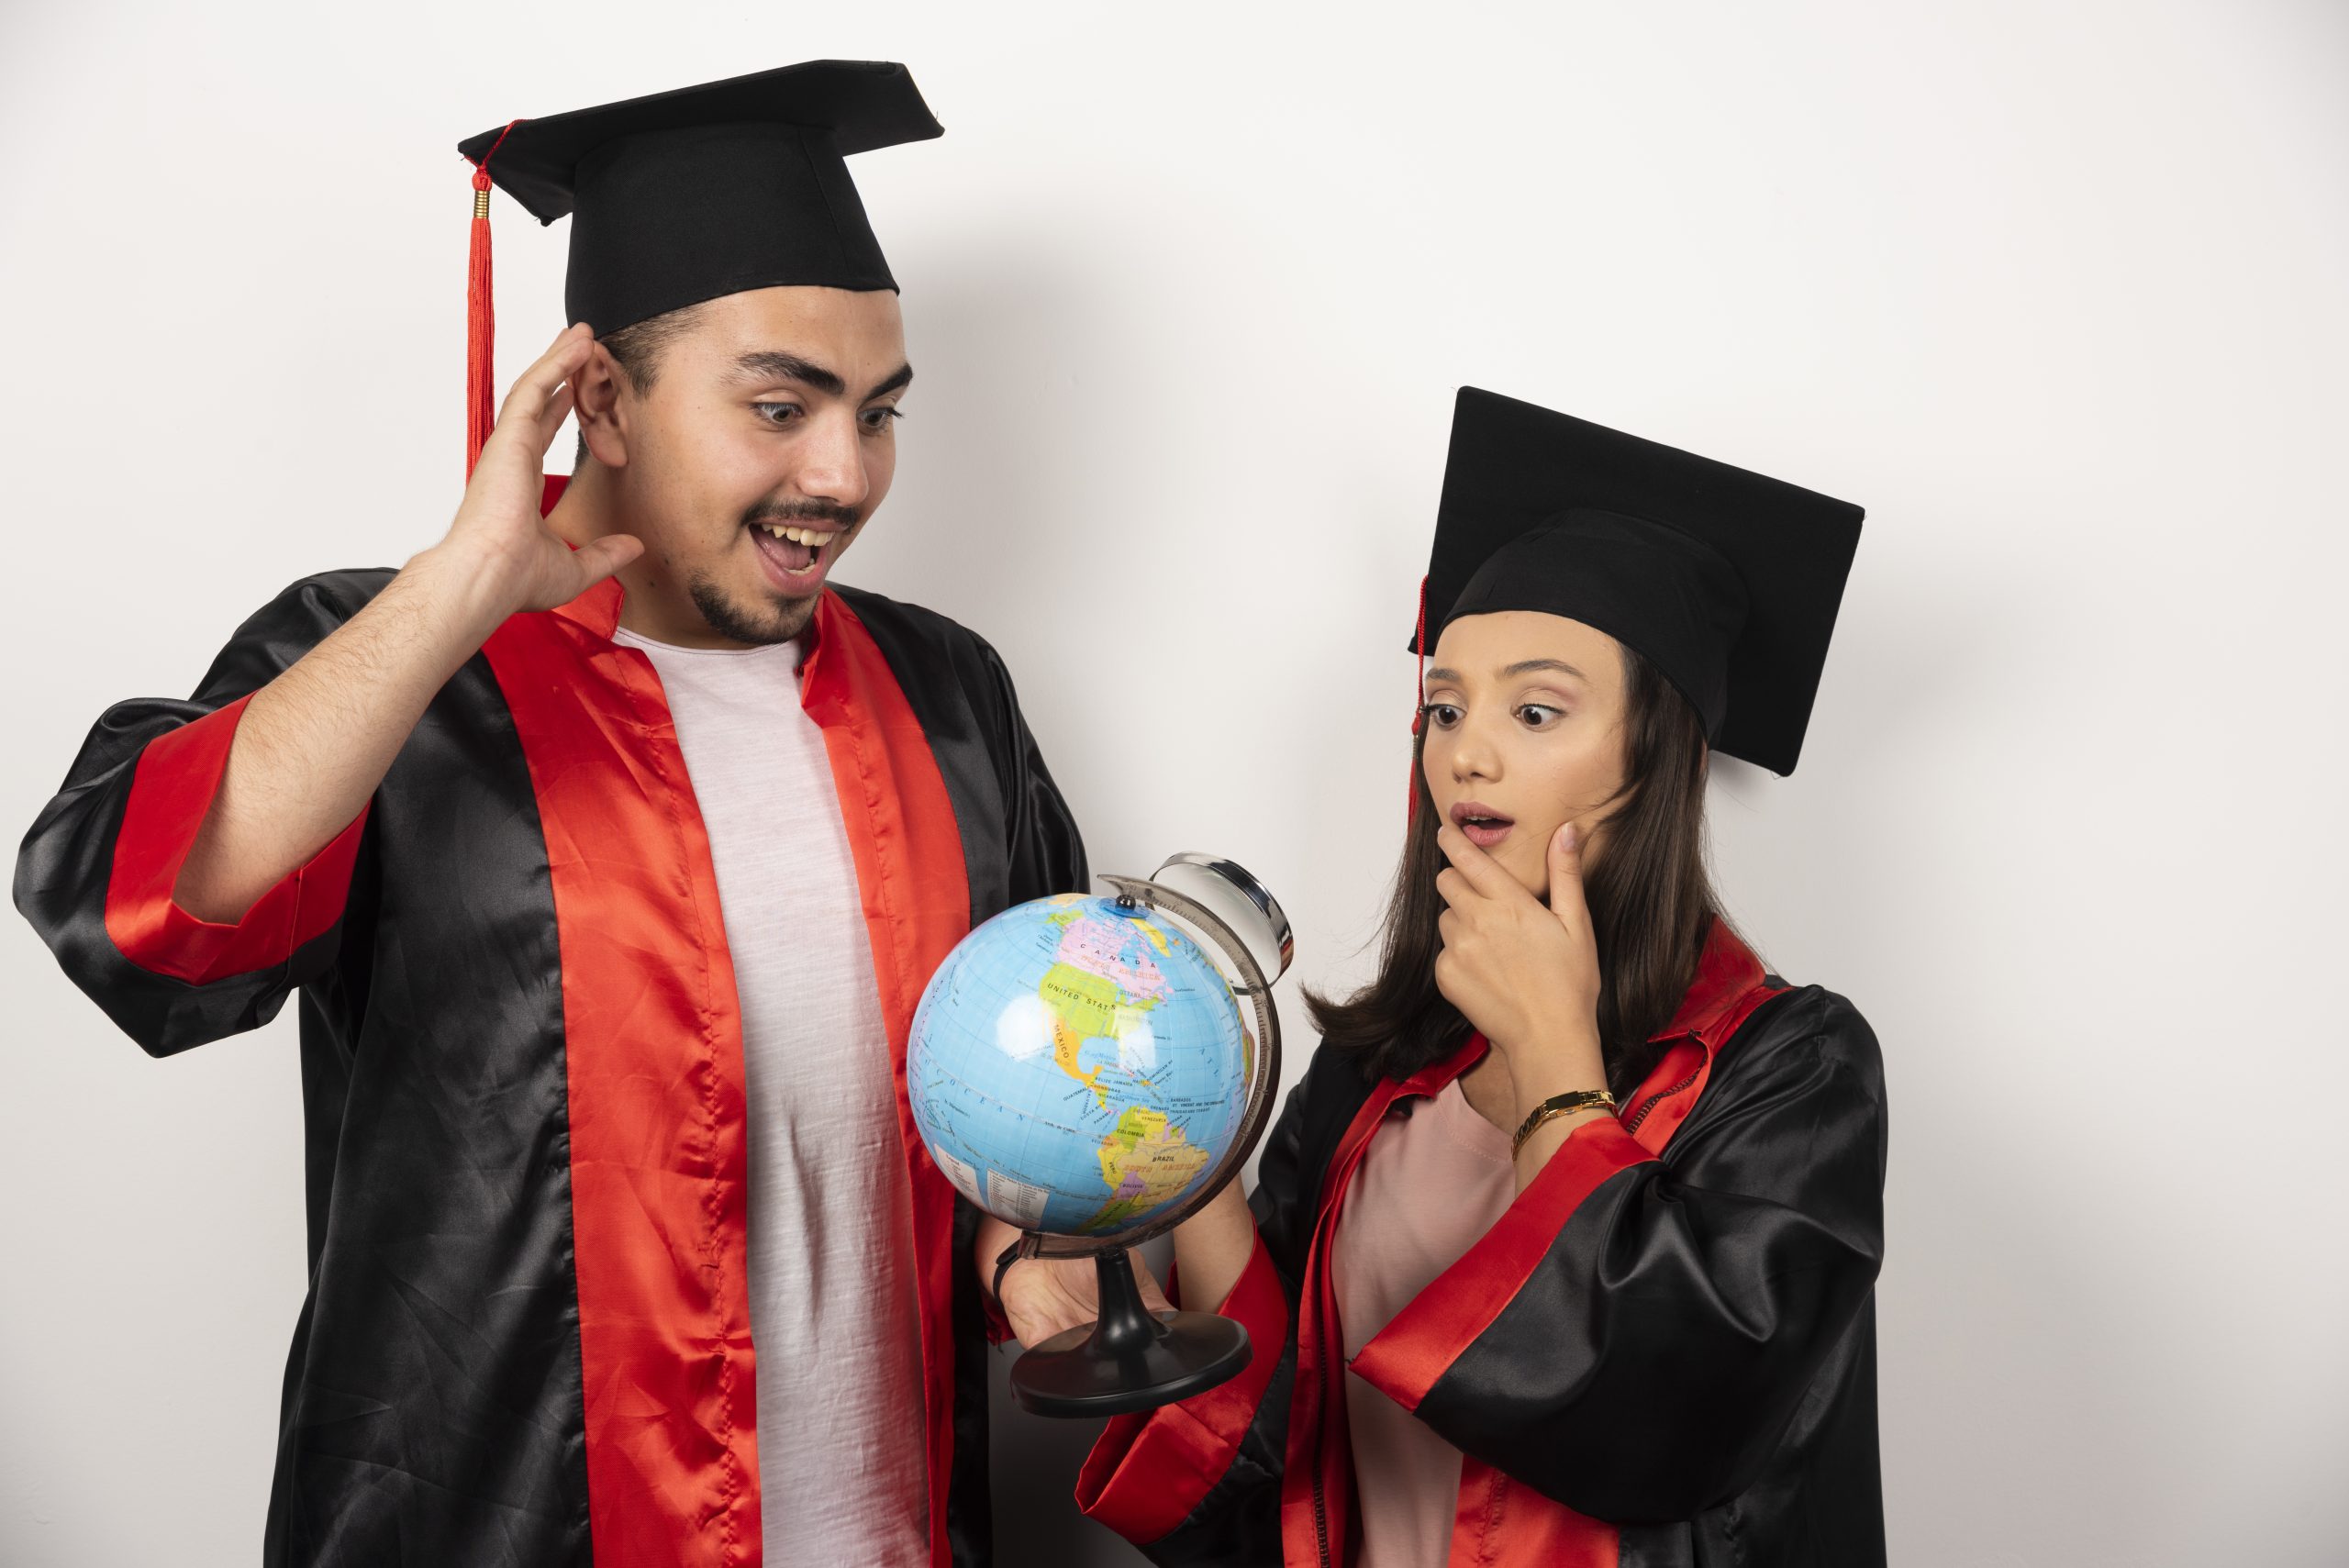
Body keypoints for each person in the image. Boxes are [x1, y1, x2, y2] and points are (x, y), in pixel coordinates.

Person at [13, 61, 1086, 1568]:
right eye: (780, 405)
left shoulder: (948, 694)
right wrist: (455, 590)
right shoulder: (395, 674)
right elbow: (143, 927)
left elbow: (1032, 1079)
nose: (843, 475)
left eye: (878, 411)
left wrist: (1034, 1238)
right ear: (600, 397)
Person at [998, 388, 1886, 1566]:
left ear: (1656, 752)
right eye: (1444, 705)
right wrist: (1195, 1153)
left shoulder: (1790, 1070)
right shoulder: (1381, 1068)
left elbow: (1675, 1426)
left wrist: (1560, 1063)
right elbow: (1284, 1437)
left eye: (1534, 708)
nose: (1465, 747)